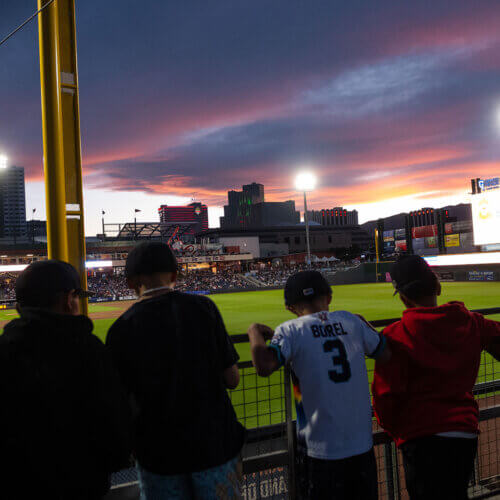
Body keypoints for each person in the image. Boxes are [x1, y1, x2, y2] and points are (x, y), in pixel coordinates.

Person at [106, 242, 245, 500]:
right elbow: (233, 378)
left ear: (130, 283)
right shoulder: (204, 309)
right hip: (213, 446)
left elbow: (123, 404)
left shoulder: (121, 329)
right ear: (174, 275)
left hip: (158, 456)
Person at [248, 270, 390, 500]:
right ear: (329, 298)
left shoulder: (290, 330)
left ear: (290, 308)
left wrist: (254, 332)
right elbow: (385, 353)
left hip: (318, 451)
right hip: (361, 446)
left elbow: (264, 366)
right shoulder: (351, 320)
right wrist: (365, 325)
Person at [0, 260, 131, 500]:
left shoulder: (4, 349)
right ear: (68, 299)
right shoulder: (88, 349)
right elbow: (112, 419)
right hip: (81, 481)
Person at [372, 255, 500, 500]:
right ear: (438, 286)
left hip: (420, 439)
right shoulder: (472, 322)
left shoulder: (395, 335)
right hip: (464, 434)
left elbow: (384, 397)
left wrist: (399, 430)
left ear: (402, 297)